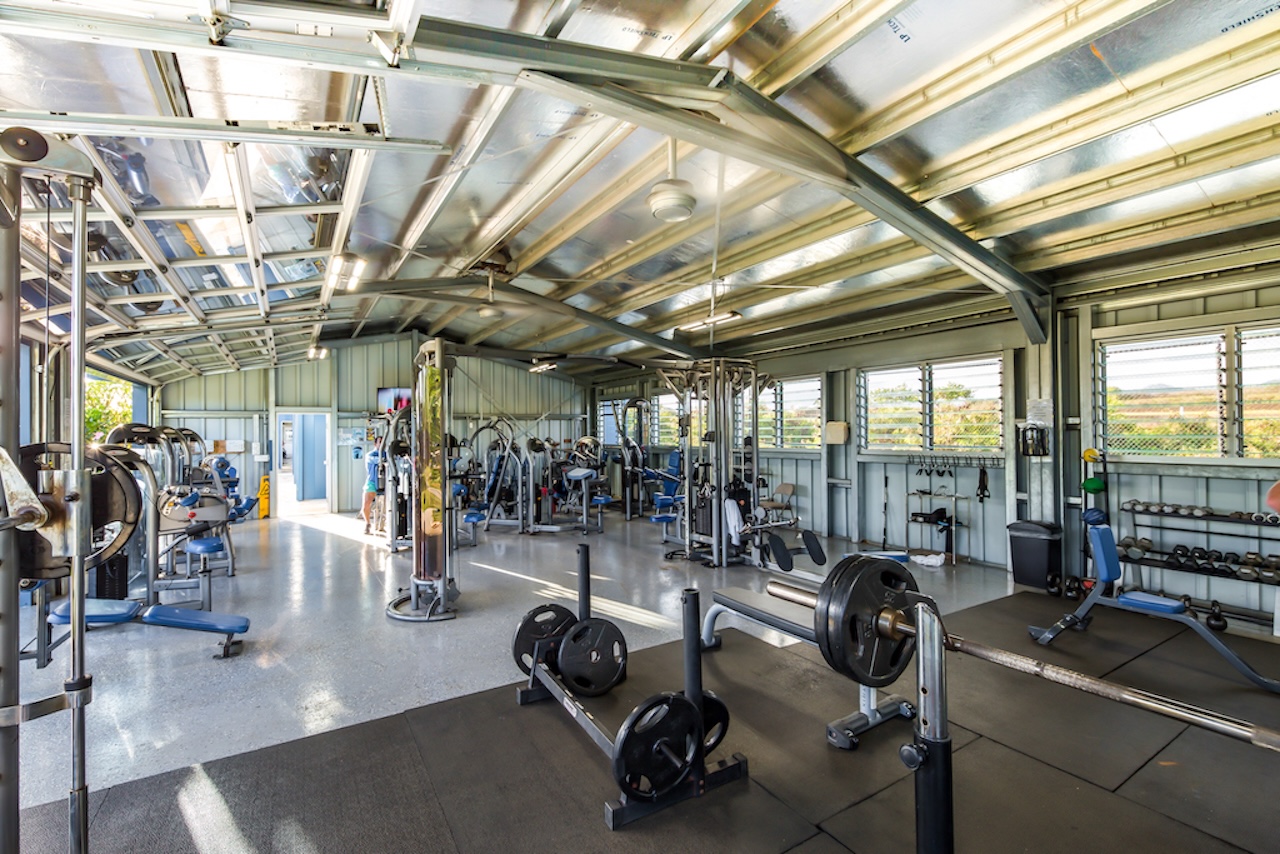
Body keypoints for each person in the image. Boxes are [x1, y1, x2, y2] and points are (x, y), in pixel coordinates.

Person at [361, 437, 383, 535]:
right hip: (372, 481)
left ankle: (382, 523)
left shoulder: (387, 454)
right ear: (375, 444)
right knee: (366, 504)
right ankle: (367, 523)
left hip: (385, 482)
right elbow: (378, 461)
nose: (381, 444)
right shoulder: (370, 455)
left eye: (383, 442)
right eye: (380, 442)